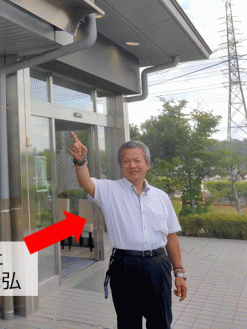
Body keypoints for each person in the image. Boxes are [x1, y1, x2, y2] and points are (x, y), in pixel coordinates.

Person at [69, 132, 187, 329]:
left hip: (158, 266)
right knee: (128, 323)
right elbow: (86, 183)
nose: (132, 165)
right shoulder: (110, 190)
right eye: (126, 161)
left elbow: (171, 236)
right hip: (125, 266)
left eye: (137, 160)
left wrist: (179, 273)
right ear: (120, 165)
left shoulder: (161, 197)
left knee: (161, 322)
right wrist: (80, 162)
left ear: (147, 164)